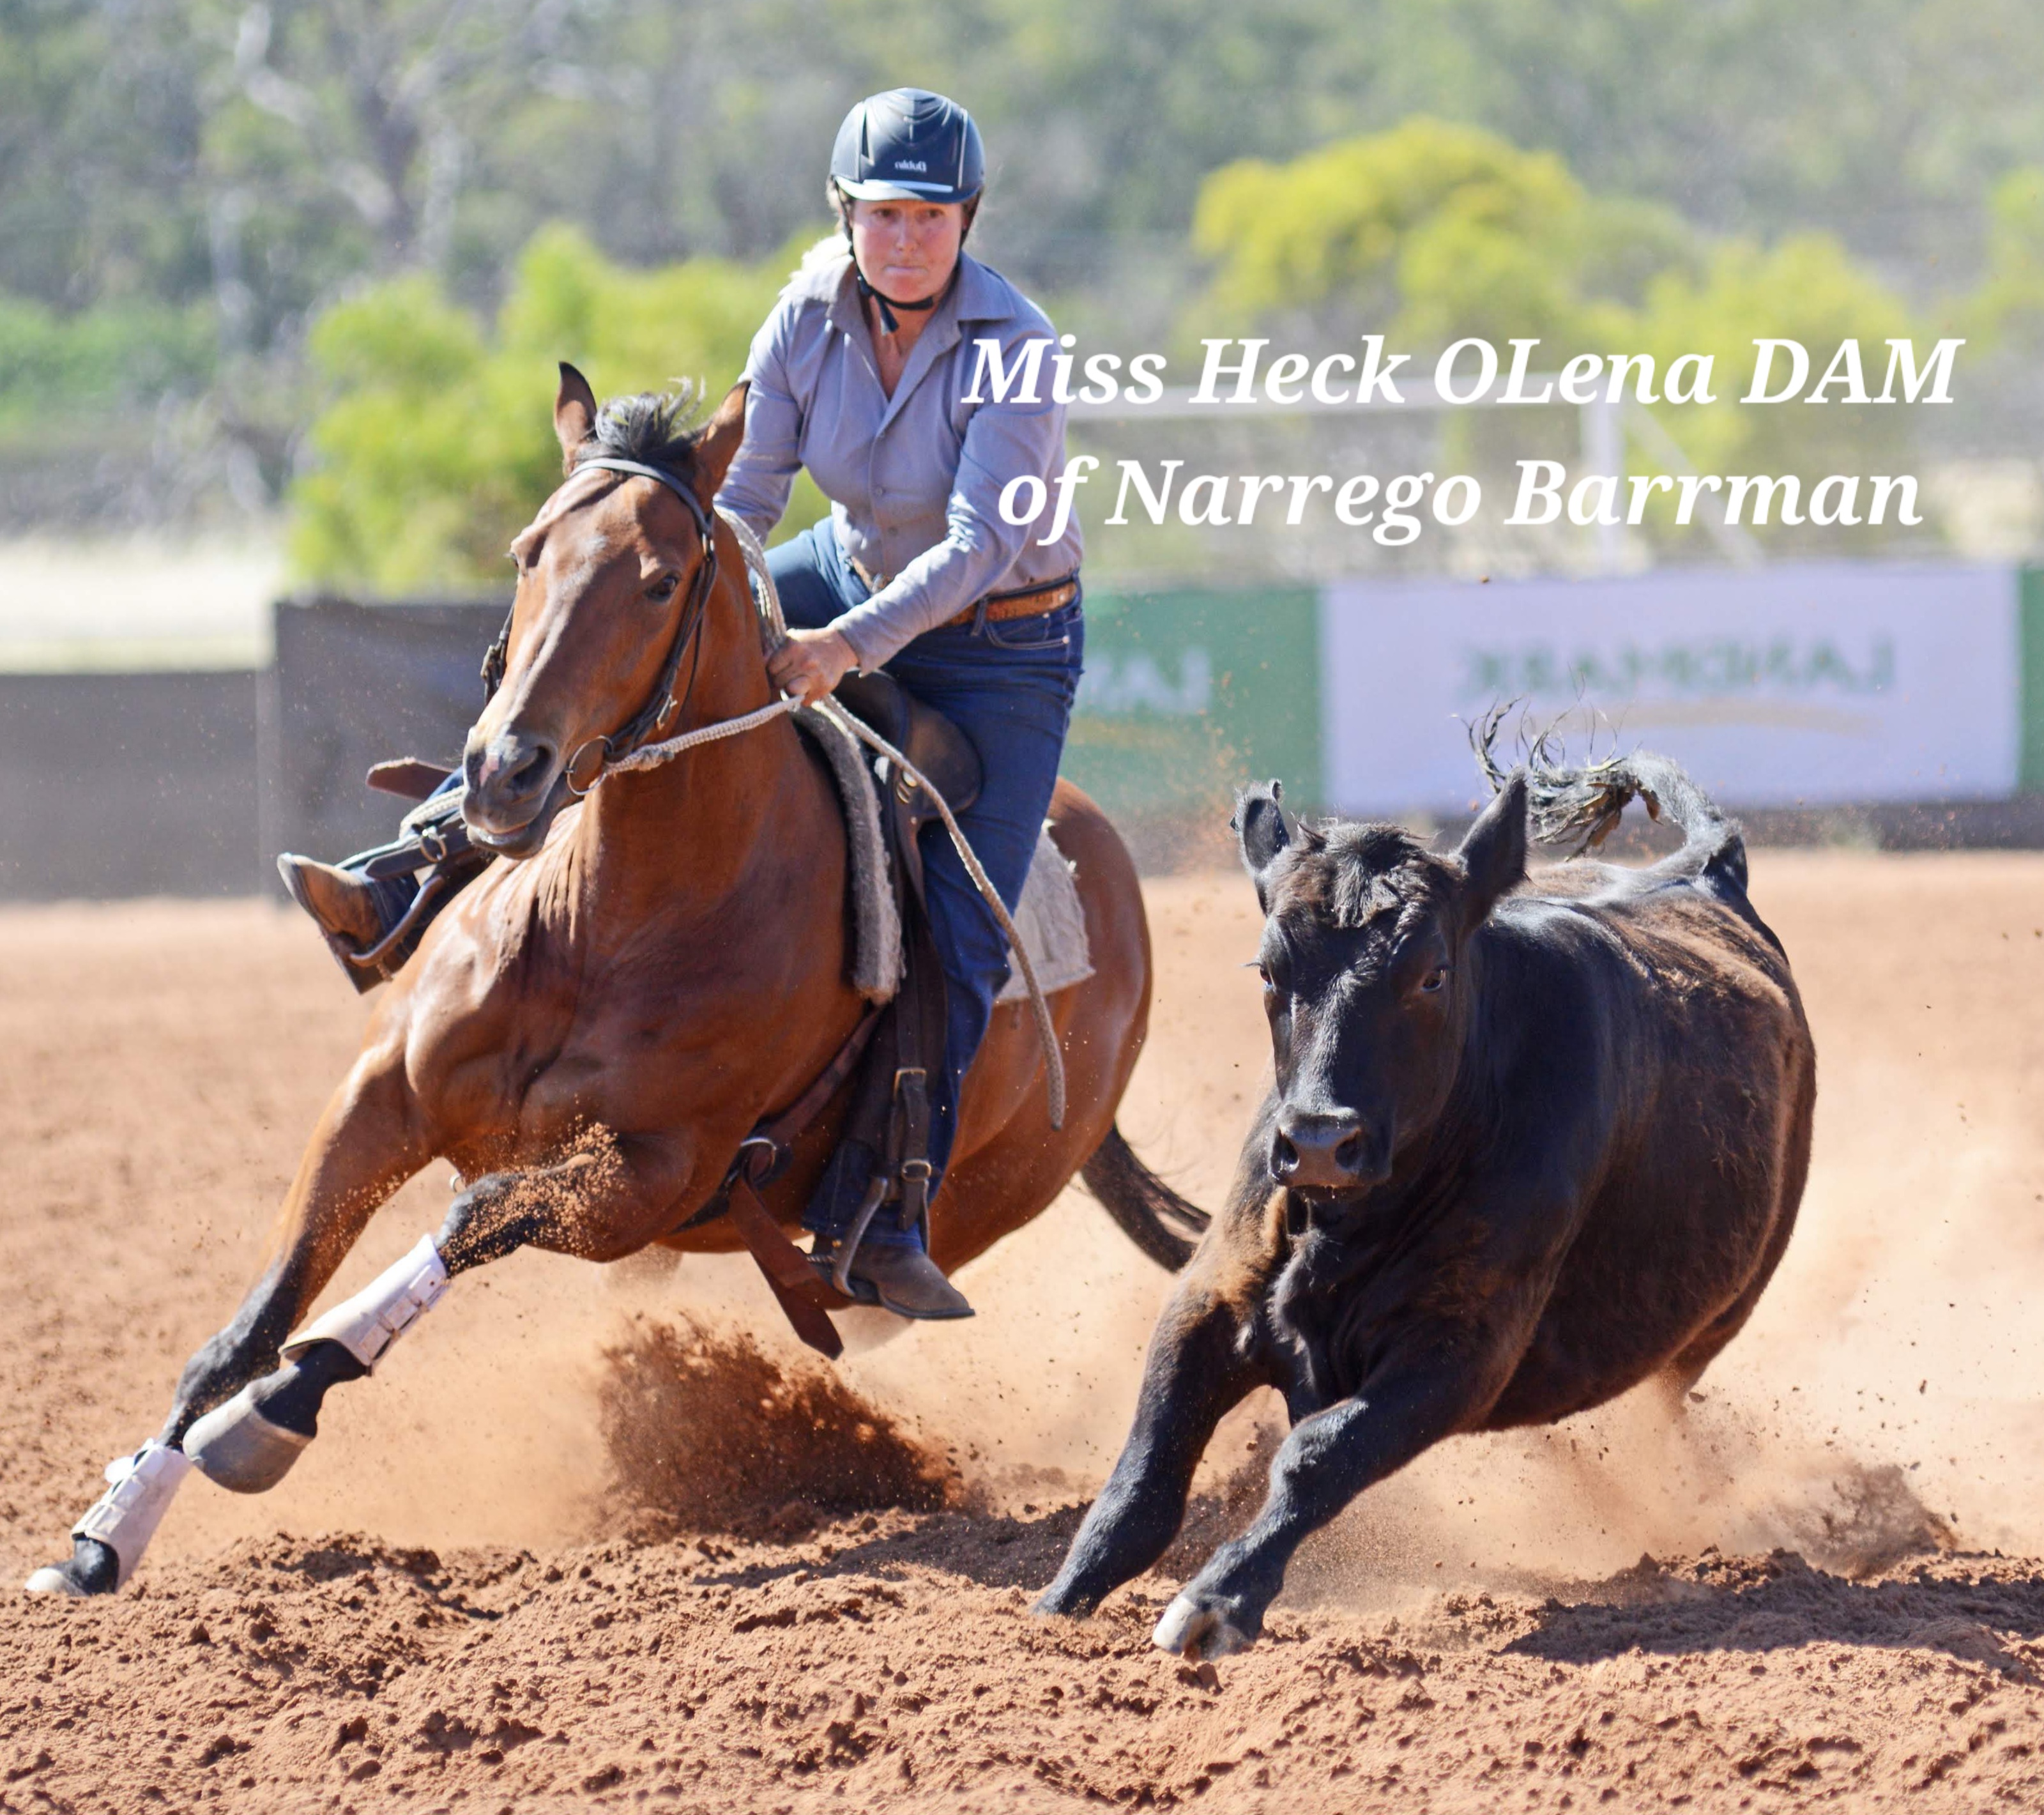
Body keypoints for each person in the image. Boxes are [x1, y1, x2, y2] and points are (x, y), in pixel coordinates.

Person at [279, 88, 1085, 1321]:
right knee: (611, 645)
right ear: (846, 214)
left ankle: (892, 1206)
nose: (906, 238)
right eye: (883, 214)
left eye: (931, 217)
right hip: (844, 571)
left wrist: (838, 649)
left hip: (1003, 644)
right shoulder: (805, 312)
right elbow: (741, 500)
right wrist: (698, 580)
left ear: (968, 220)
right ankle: (409, 871)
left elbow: (978, 546)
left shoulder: (1016, 347)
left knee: (970, 925)